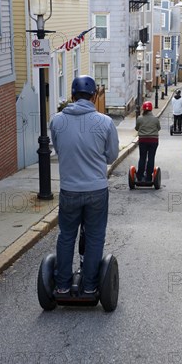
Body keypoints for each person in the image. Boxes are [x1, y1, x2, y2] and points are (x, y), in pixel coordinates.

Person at [50, 75, 119, 295]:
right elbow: (111, 156)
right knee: (95, 236)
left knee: (67, 235)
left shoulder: (57, 121)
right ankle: (89, 287)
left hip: (69, 189)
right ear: (93, 96)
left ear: (72, 95)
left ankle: (61, 286)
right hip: (96, 190)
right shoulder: (105, 122)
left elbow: (59, 150)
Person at [135, 101, 161, 182]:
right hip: (153, 140)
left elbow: (136, 128)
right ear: (151, 109)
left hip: (143, 140)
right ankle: (149, 176)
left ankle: (140, 176)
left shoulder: (139, 118)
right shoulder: (156, 119)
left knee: (142, 157)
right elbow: (158, 128)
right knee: (151, 157)